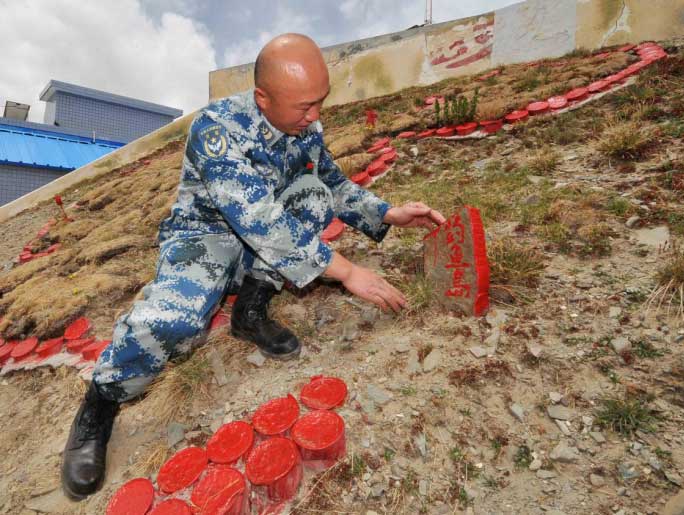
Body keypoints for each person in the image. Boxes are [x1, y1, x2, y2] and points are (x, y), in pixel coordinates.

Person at [60, 33, 445, 499]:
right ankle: (101, 401)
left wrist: (388, 212)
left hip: (259, 237)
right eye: (305, 106)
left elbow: (333, 185)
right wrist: (346, 271)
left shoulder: (305, 128)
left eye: (321, 102)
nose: (316, 116)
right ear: (263, 98)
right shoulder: (217, 130)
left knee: (312, 194)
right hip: (204, 237)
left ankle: (249, 311)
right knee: (176, 324)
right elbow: (260, 222)